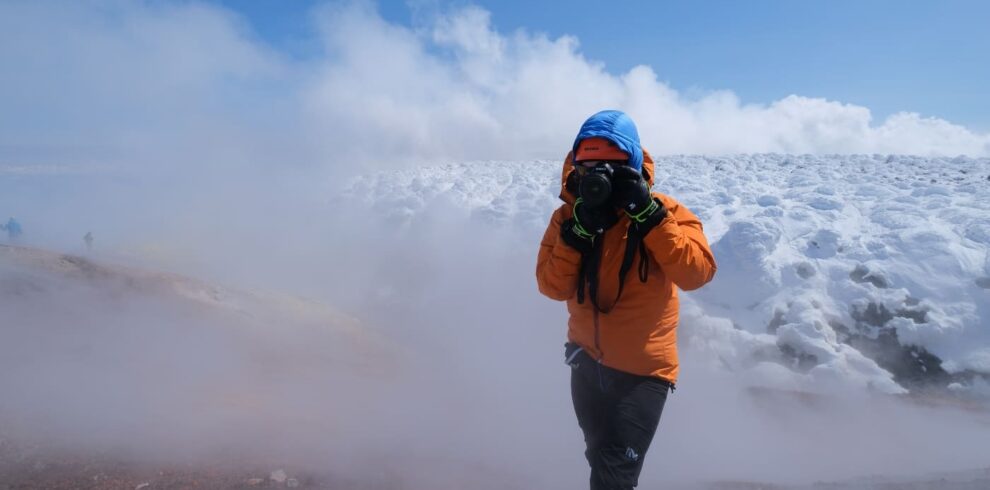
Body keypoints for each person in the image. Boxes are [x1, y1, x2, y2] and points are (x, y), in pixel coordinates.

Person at [536, 110, 717, 489]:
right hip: (586, 364)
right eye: (589, 167)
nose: (598, 177)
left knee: (614, 475)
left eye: (612, 167)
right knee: (599, 455)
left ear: (633, 167)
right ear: (575, 168)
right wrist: (576, 236)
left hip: (644, 374)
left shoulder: (666, 212)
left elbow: (697, 274)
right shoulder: (568, 218)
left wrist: (649, 217)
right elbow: (552, 287)